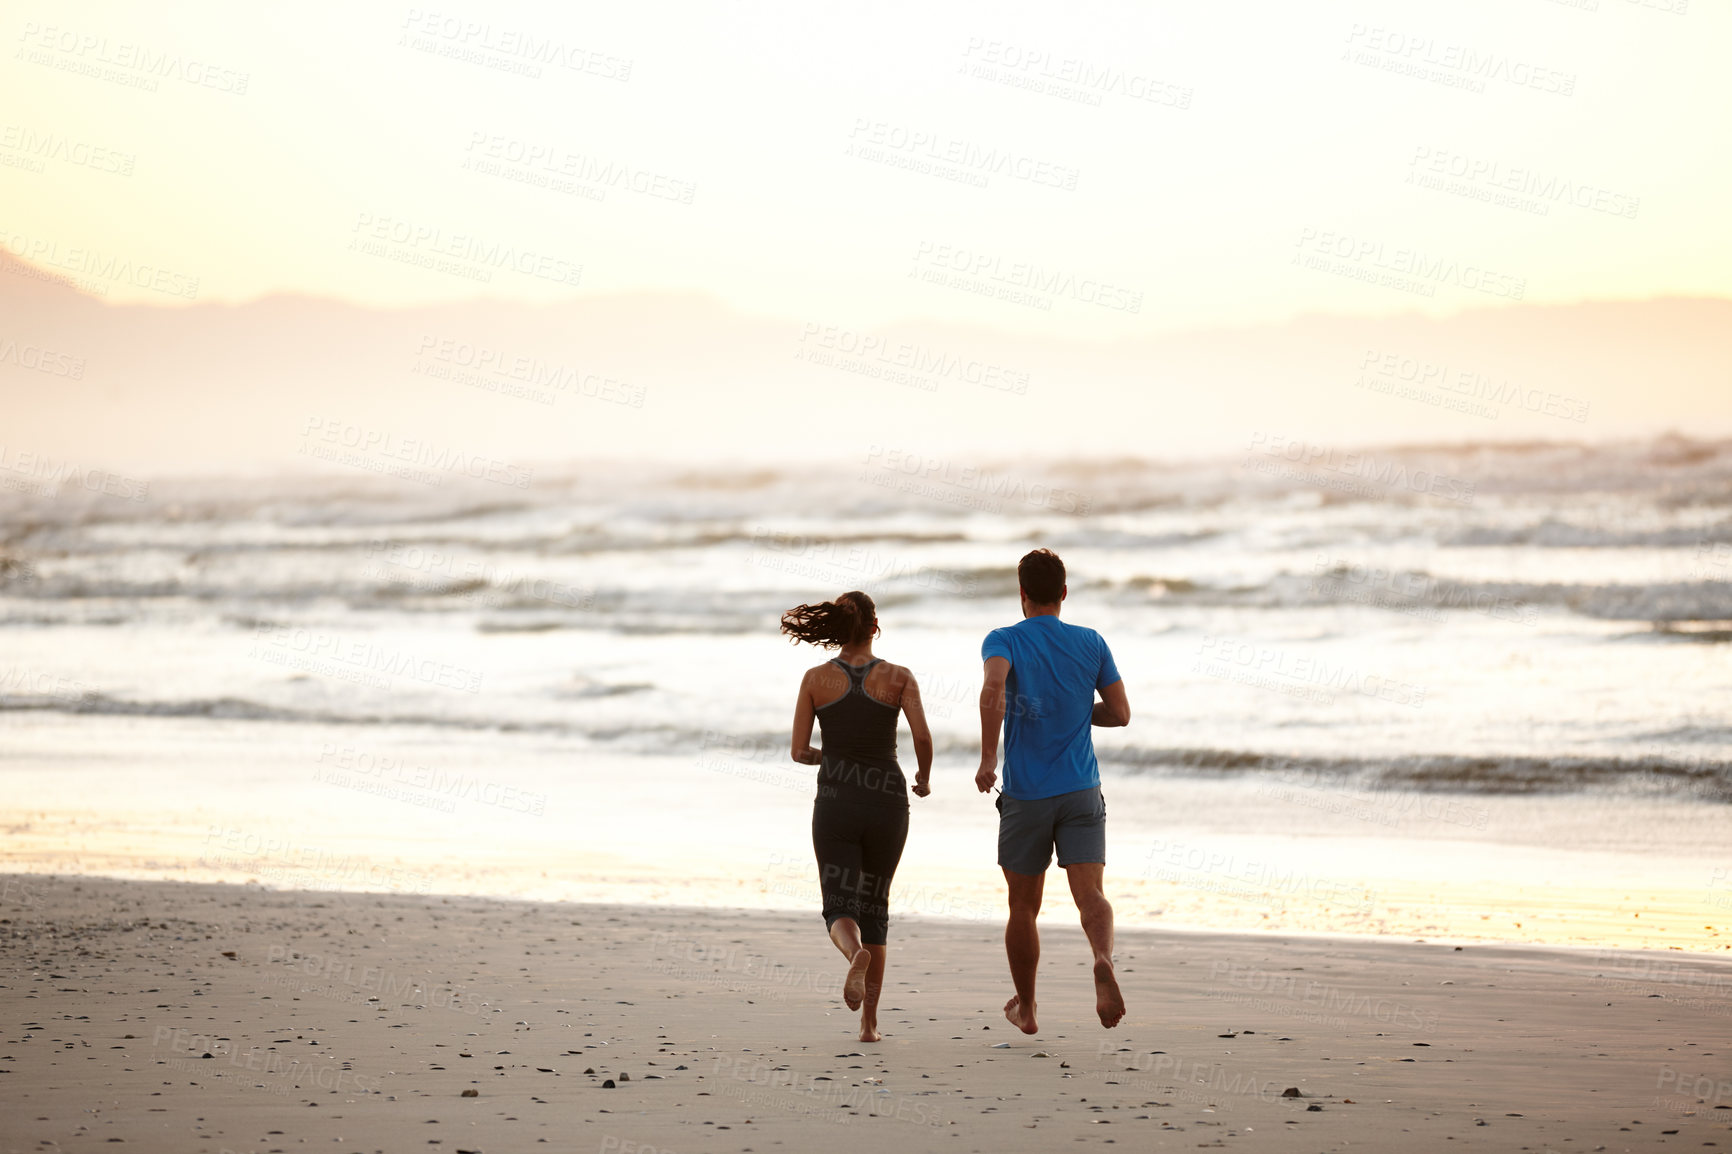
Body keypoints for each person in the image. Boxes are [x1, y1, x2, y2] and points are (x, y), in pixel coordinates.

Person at [975, 548, 1131, 1033]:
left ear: (1022, 594)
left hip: (1026, 795)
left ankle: (1028, 1007)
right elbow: (1121, 713)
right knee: (1091, 894)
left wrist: (986, 758)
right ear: (1064, 592)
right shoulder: (1092, 642)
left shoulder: (1003, 639)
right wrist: (1078, 712)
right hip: (1082, 789)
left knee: (1023, 905)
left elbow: (993, 690)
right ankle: (1102, 958)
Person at [783, 590, 933, 1042]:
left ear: (836, 629)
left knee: (839, 906)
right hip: (888, 798)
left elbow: (798, 752)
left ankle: (853, 955)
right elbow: (923, 739)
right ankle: (869, 1025)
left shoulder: (813, 679)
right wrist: (923, 779)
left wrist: (833, 758)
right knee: (876, 907)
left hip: (836, 799)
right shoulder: (899, 677)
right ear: (874, 627)